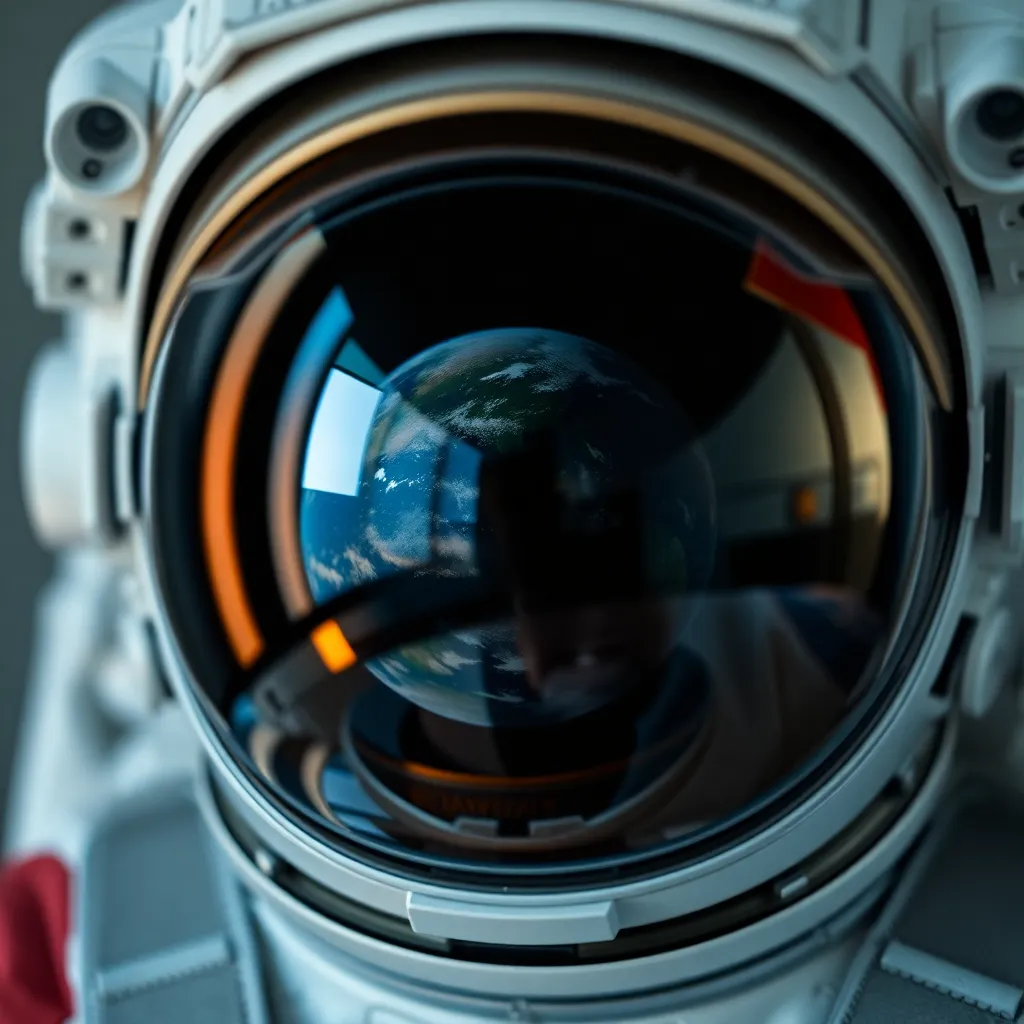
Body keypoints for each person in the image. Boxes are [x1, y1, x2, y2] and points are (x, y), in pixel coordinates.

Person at [5, 1, 1024, 1021]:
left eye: (611, 523)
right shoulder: (61, 957)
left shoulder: (807, 649)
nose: (563, 601)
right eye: (500, 558)